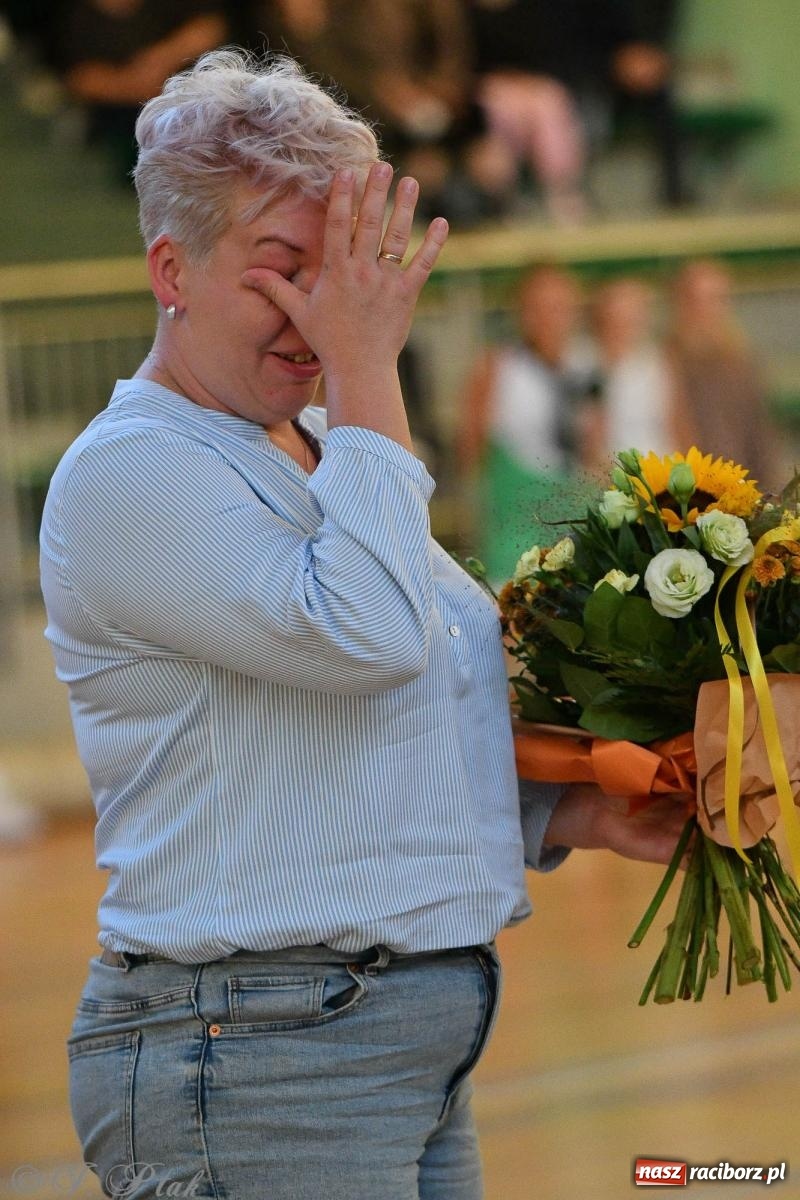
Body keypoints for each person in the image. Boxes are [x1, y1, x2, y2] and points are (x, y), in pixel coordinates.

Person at [40, 50, 683, 1200]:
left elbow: (409, 697)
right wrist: (364, 365)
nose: (318, 311)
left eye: (342, 270)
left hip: (380, 1041)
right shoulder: (130, 472)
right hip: (255, 1057)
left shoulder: (323, 448)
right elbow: (370, 636)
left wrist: (579, 806)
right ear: (170, 268)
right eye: (282, 271)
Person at [459, 264, 599, 584]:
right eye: (538, 308)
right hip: (513, 519)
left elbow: (595, 448)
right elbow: (470, 447)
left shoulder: (587, 365)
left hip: (572, 514)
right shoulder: (498, 366)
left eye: (559, 307)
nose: (549, 318)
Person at [666, 259, 777, 487]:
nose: (703, 311)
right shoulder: (661, 362)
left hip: (742, 489)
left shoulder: (741, 362)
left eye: (713, 299)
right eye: (694, 300)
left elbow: (760, 436)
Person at [587, 275, 679, 467]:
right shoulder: (587, 366)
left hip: (660, 470)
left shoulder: (656, 362)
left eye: (632, 318)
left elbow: (675, 426)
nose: (624, 327)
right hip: (612, 475)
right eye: (617, 318)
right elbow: (590, 441)